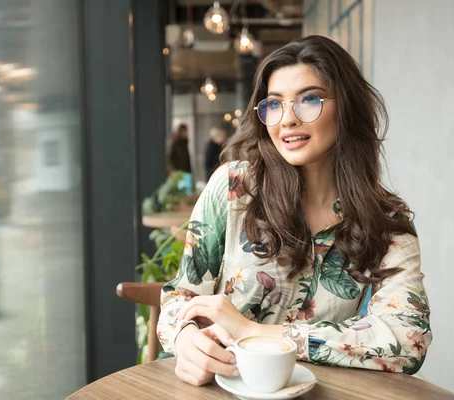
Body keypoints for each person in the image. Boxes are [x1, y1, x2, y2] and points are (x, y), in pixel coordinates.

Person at [157, 35, 432, 387]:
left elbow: (407, 338)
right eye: (274, 104)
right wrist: (184, 337)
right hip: (219, 389)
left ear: (346, 108)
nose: (287, 119)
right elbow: (180, 297)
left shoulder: (385, 223)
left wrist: (256, 332)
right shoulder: (234, 187)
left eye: (309, 99)